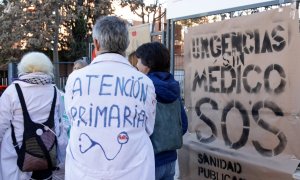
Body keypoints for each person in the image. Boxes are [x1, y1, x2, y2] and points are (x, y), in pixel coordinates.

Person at [64, 16, 157, 180]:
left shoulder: (74, 79)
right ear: (127, 44)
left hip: (83, 172)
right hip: (135, 172)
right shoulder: (145, 82)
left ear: (96, 44)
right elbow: (148, 128)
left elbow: (73, 120)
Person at [0, 52, 65, 180]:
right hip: (46, 158)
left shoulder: (12, 91)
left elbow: (1, 125)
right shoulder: (54, 91)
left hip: (15, 162)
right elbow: (60, 126)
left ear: (23, 68)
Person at [135, 42, 188, 180]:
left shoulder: (143, 88)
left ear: (148, 66)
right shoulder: (173, 87)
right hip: (170, 159)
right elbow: (184, 125)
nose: (136, 65)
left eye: (138, 61)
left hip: (149, 161)